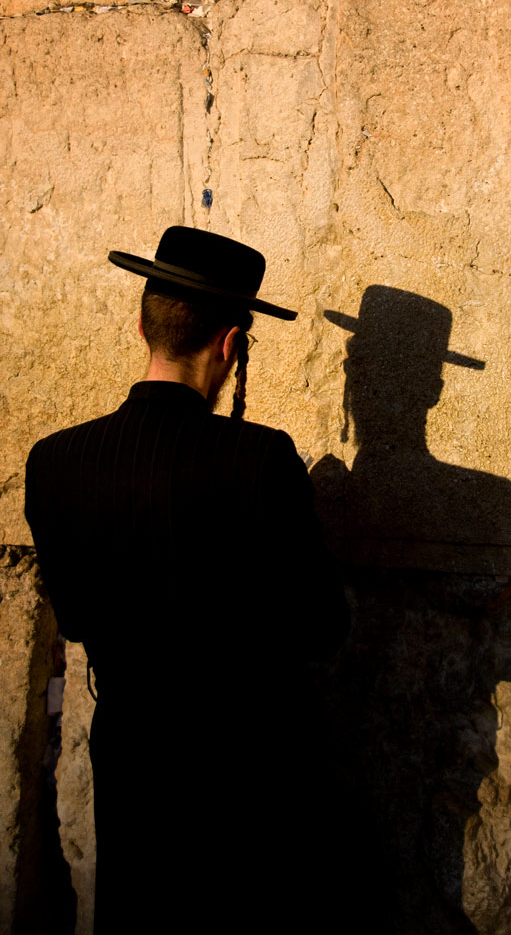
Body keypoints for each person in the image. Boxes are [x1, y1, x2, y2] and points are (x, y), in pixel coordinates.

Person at [25, 226, 349, 933]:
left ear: (142, 324)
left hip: (131, 753)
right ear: (232, 345)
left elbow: (77, 616)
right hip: (247, 765)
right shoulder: (259, 459)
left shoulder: (55, 460)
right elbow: (322, 627)